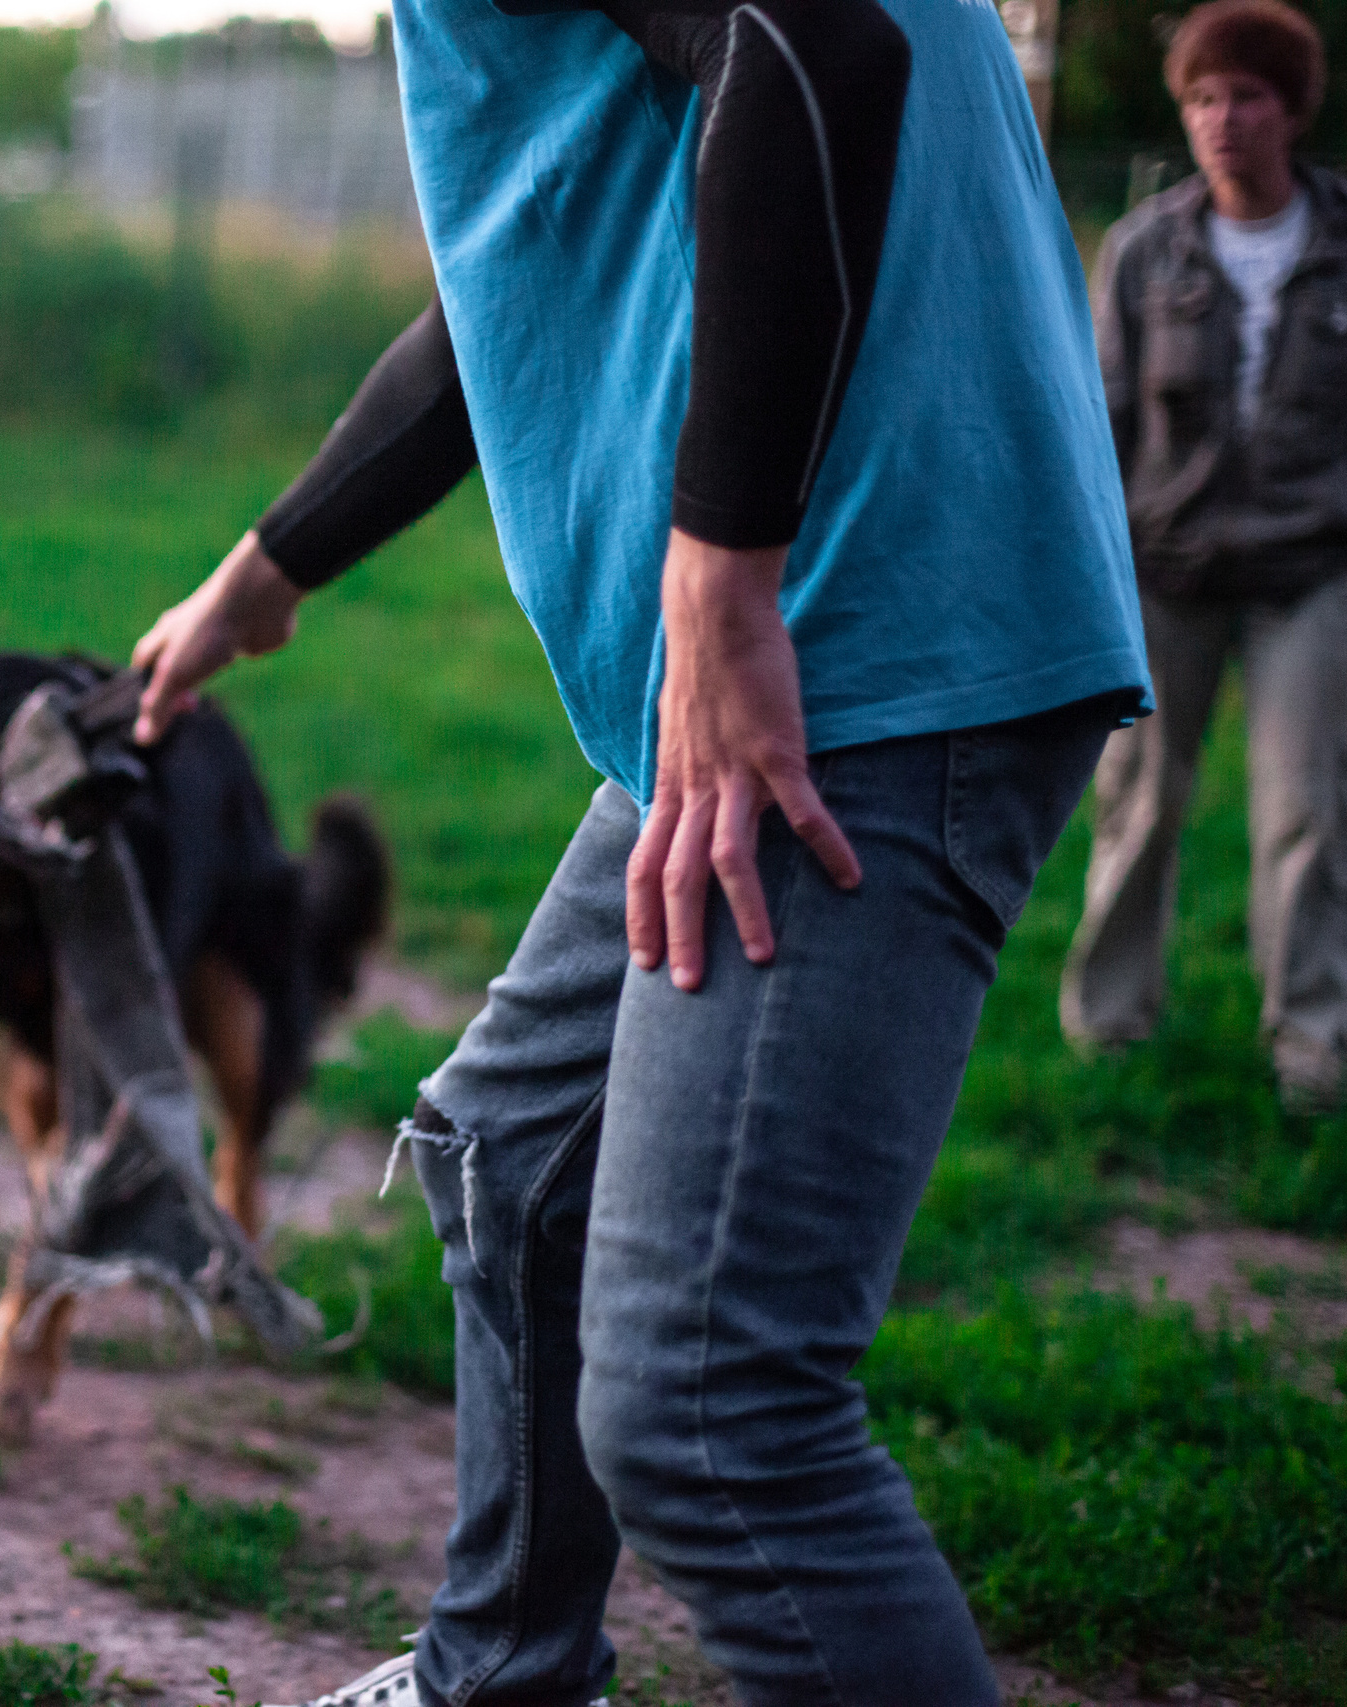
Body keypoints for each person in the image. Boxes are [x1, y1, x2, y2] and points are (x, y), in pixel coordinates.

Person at [127, 0, 1151, 1702]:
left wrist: (722, 572)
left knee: (708, 1408)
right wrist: (268, 570)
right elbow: (537, 255)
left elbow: (816, 42)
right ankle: (501, 1676)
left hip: (856, 651)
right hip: (791, 658)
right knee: (508, 1159)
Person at [1057, 0, 1347, 1111]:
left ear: (1292, 110)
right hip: (1161, 571)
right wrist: (1090, 586)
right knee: (1136, 805)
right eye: (1201, 99)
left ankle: (1311, 1051)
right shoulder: (1144, 248)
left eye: (1246, 96)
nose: (1222, 120)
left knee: (1312, 815)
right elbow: (1099, 434)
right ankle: (1108, 1028)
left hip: (1308, 575)